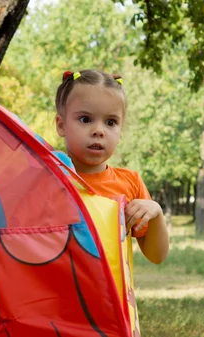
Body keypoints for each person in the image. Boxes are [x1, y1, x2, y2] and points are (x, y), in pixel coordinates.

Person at [54, 69, 169, 264]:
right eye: (85, 119)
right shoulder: (48, 178)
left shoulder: (130, 183)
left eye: (110, 122)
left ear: (120, 131)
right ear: (61, 125)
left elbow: (156, 256)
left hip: (112, 294)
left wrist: (156, 213)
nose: (99, 131)